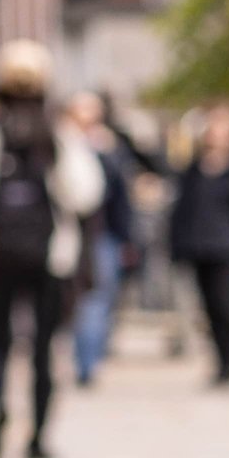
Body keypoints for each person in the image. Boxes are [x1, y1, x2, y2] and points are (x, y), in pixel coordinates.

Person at [0, 41, 104, 458]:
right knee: (43, 348)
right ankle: (37, 435)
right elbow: (85, 193)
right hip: (48, 254)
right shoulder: (58, 130)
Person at [167, 105, 229, 388]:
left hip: (226, 246)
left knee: (225, 304)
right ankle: (220, 362)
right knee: (206, 309)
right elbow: (181, 210)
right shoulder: (193, 168)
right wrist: (176, 246)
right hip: (197, 246)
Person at [64, 92, 140, 388]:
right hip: (73, 234)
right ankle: (84, 358)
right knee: (82, 300)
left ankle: (88, 361)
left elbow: (120, 196)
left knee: (96, 299)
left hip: (102, 234)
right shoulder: (63, 144)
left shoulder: (109, 147)